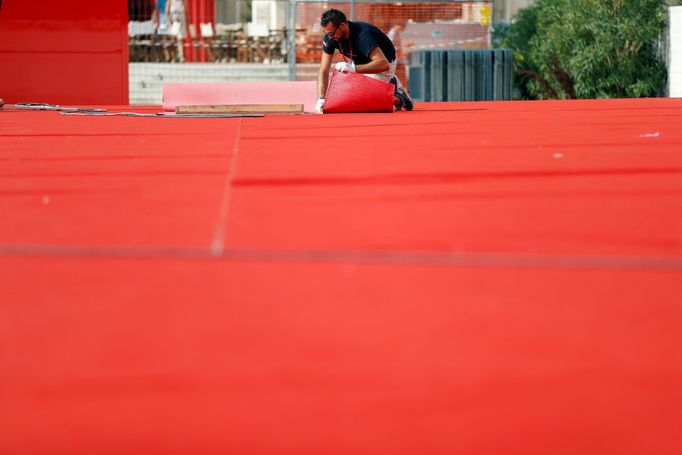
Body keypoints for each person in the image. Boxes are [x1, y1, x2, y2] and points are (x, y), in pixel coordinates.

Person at [316, 9, 413, 113]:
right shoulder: (330, 37)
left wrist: (353, 68)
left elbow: (383, 64)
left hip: (382, 65)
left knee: (359, 101)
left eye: (332, 33)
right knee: (339, 95)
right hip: (360, 64)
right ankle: (387, 86)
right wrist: (321, 98)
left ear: (343, 26)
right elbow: (324, 70)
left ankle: (401, 96)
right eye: (326, 33)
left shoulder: (363, 34)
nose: (330, 37)